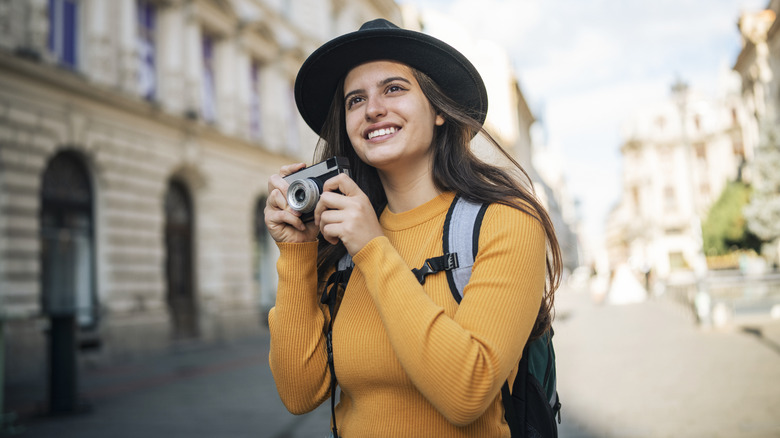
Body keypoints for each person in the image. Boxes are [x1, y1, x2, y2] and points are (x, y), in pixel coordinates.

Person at [266, 18, 562, 437]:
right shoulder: (342, 241)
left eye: (394, 89)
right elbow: (298, 394)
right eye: (355, 100)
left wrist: (373, 247)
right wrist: (297, 252)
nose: (372, 110)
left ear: (439, 110)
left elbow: (468, 392)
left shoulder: (505, 220)